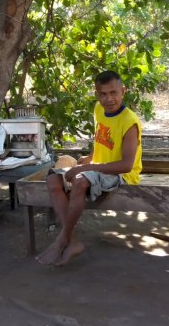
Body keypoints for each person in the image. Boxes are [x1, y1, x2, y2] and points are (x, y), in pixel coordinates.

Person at [37, 70, 142, 266]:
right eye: (103, 94)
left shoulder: (129, 122)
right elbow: (102, 138)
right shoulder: (98, 110)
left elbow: (127, 165)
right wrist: (89, 158)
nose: (108, 99)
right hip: (98, 168)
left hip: (120, 174)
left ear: (123, 91)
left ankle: (62, 240)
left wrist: (90, 167)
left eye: (113, 93)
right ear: (96, 94)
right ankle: (73, 241)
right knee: (53, 179)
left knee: (79, 180)